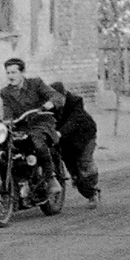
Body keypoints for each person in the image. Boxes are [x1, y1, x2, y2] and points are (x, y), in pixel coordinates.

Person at [0, 58, 65, 199]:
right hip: (20, 126)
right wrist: (4, 122)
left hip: (41, 123)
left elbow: (57, 96)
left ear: (22, 72)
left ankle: (51, 178)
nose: (10, 76)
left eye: (13, 72)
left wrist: (50, 103)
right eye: (8, 73)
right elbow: (7, 112)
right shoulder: (5, 92)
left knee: (37, 141)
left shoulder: (36, 84)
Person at [49, 80, 100, 208]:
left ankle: (93, 182)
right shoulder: (49, 106)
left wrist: (59, 133)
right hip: (65, 142)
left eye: (59, 98)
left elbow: (74, 121)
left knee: (85, 163)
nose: (56, 102)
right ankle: (91, 194)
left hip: (85, 137)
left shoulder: (75, 102)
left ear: (64, 94)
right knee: (75, 173)